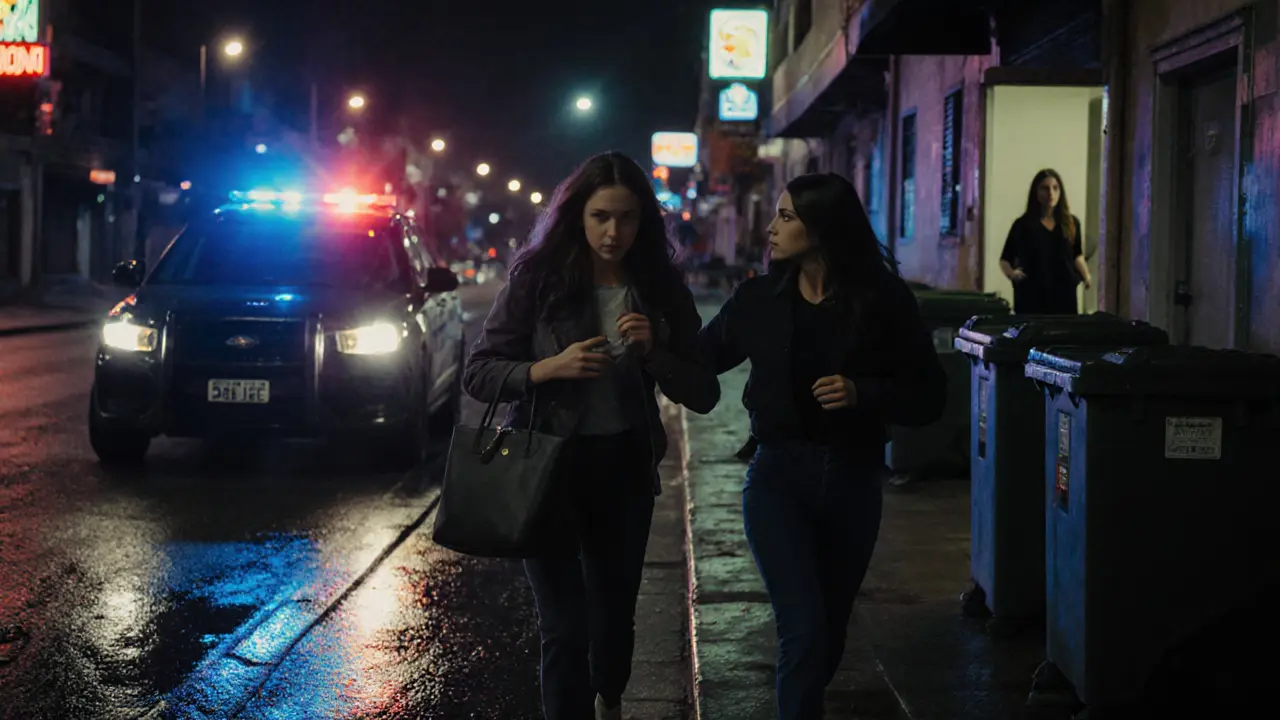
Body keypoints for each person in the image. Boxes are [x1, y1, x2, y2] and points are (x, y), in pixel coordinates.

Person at [463, 151, 719, 720]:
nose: (613, 231)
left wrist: (656, 350)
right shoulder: (539, 280)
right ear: (577, 214)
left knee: (612, 618)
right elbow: (479, 371)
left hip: (622, 468)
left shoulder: (658, 286)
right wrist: (543, 370)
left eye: (627, 218)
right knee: (562, 626)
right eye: (601, 215)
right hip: (545, 468)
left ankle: (611, 696)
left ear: (644, 222)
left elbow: (703, 392)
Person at [698, 173, 947, 720]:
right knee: (804, 630)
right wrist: (651, 341)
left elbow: (930, 395)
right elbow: (701, 360)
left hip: (853, 481)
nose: (772, 227)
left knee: (829, 633)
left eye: (786, 216)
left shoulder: (881, 300)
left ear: (822, 228)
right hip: (777, 479)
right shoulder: (759, 298)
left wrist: (864, 392)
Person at [998, 168, 1093, 314]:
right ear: (1035, 192)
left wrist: (1086, 276)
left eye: (1055, 188)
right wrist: (1012, 274)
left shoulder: (1071, 223)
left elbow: (1077, 255)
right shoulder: (1023, 224)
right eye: (1045, 188)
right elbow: (1005, 259)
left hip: (1064, 293)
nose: (1051, 193)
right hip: (1031, 295)